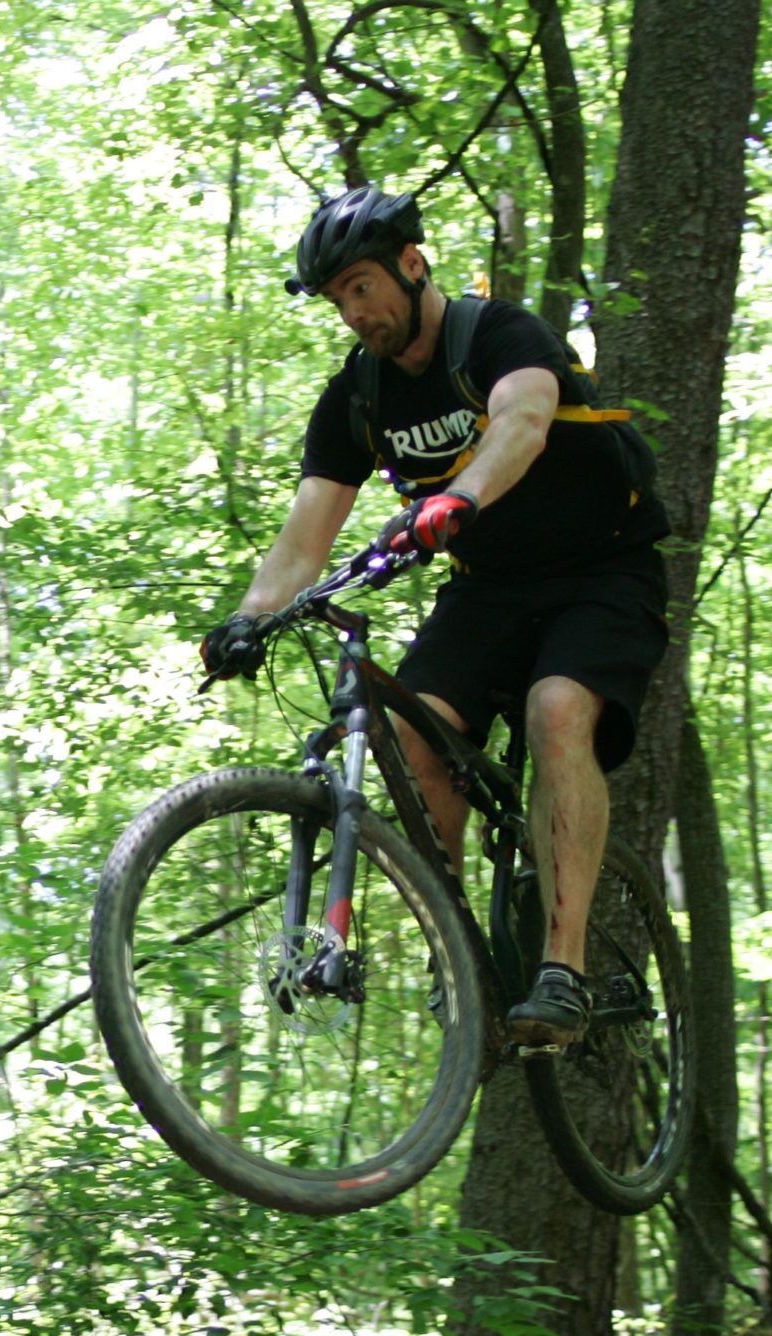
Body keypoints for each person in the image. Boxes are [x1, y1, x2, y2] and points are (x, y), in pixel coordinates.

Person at [201, 185, 671, 1046]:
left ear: (413, 266)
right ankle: (455, 949)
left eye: (362, 286)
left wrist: (456, 498)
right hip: (490, 587)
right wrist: (247, 620)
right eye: (339, 298)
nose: (354, 312)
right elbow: (306, 539)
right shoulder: (358, 397)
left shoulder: (500, 335)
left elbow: (524, 421)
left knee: (557, 710)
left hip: (603, 568)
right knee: (406, 728)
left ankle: (562, 971)